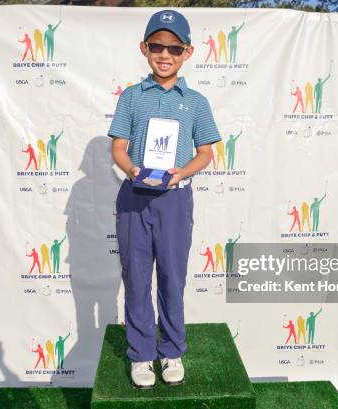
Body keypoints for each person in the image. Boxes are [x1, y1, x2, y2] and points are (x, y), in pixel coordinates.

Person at [108, 9, 221, 388]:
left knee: (172, 277)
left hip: (174, 199)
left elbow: (205, 153)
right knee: (136, 278)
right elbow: (119, 147)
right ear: (144, 48)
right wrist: (131, 169)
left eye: (174, 47)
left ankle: (171, 349)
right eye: (157, 45)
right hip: (134, 198)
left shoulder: (197, 102)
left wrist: (181, 172)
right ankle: (141, 354)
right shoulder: (131, 97)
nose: (165, 53)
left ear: (187, 52)